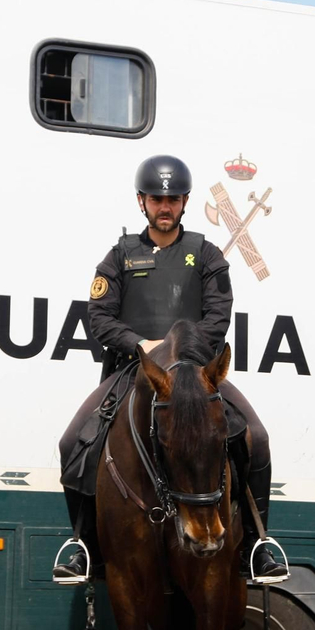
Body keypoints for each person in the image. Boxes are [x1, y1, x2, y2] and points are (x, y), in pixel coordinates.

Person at [52, 155, 288, 585]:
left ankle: (255, 545)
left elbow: (218, 317)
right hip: (133, 371)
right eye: (157, 199)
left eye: (174, 199)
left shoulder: (208, 255)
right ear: (141, 201)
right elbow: (99, 317)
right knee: (72, 443)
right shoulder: (119, 256)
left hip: (194, 375)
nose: (166, 207)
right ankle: (86, 547)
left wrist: (183, 353)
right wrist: (141, 345)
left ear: (185, 203)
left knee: (257, 438)